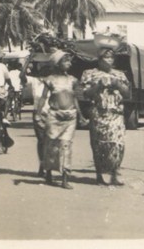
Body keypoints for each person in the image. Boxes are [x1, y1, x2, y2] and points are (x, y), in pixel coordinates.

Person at [81, 47, 129, 187]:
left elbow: (127, 94)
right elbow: (86, 94)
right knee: (99, 145)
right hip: (98, 114)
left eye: (111, 57)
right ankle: (100, 175)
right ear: (99, 59)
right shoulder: (89, 74)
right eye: (105, 58)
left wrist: (117, 84)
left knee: (117, 144)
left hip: (116, 114)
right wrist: (98, 86)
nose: (109, 60)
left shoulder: (120, 75)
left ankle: (115, 173)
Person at [39, 50, 79, 189]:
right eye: (65, 61)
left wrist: (81, 115)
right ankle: (49, 174)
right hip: (54, 116)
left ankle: (65, 179)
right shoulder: (50, 79)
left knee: (66, 146)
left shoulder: (73, 80)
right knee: (51, 146)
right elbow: (44, 97)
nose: (69, 63)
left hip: (70, 117)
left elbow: (75, 98)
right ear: (57, 63)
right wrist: (38, 113)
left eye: (69, 61)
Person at [29, 63, 50, 177]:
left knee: (51, 140)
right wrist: (28, 61)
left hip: (52, 113)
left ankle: (49, 166)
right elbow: (22, 76)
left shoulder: (53, 82)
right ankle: (42, 165)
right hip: (38, 113)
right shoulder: (34, 81)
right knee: (41, 140)